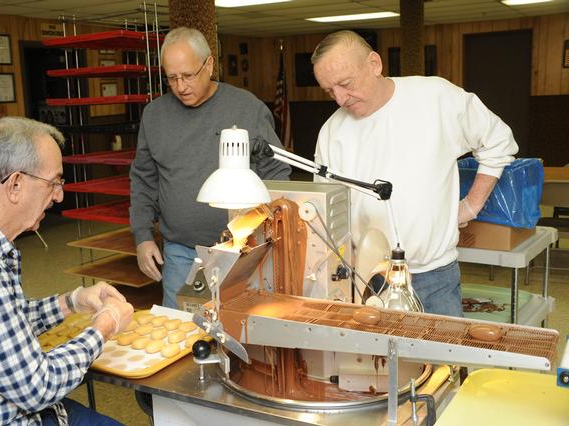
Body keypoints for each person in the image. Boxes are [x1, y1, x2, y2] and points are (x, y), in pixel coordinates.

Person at [0, 117, 134, 424]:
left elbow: (1, 325)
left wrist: (71, 302)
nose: (59, 196)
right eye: (54, 182)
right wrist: (105, 325)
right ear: (15, 184)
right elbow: (38, 387)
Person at [311, 31, 518, 316]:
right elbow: (327, 212)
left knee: (444, 358)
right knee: (374, 361)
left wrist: (470, 206)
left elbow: (498, 142)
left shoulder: (435, 97)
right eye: (329, 91)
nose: (340, 99)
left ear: (374, 64)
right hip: (368, 279)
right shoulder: (331, 132)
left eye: (345, 84)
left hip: (433, 276)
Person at [130, 27, 290, 309]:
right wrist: (142, 236)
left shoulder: (246, 108)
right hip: (181, 252)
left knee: (243, 331)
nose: (180, 86)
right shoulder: (154, 116)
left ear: (210, 64)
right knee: (180, 337)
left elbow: (277, 174)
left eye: (188, 76)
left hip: (244, 251)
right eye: (172, 78)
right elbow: (144, 181)